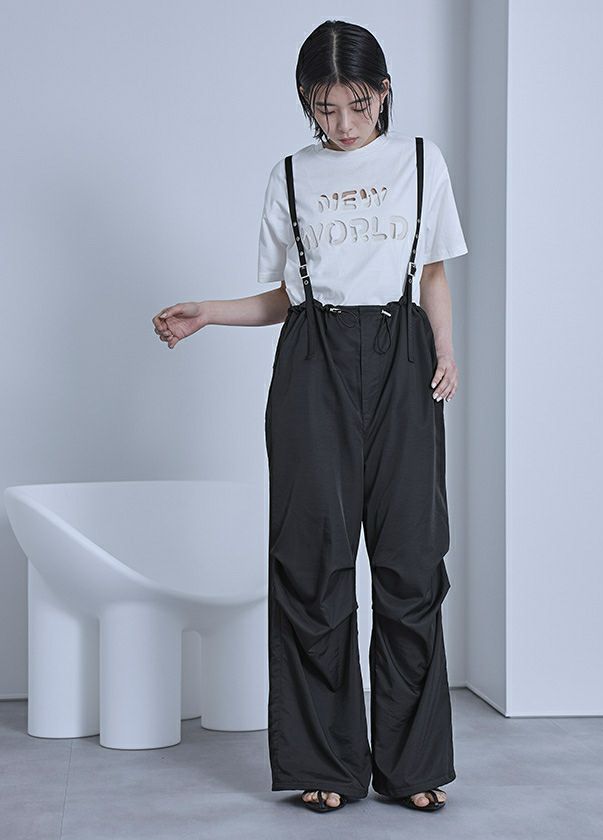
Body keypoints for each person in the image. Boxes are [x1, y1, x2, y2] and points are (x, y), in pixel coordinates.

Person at [152, 19, 468, 814]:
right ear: (306, 101)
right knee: (311, 564)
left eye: (358, 104)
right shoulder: (290, 175)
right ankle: (326, 763)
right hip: (312, 362)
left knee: (411, 561)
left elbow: (432, 272)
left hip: (403, 359)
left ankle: (413, 765)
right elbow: (286, 297)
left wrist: (445, 348)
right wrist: (210, 313)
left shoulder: (421, 162)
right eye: (326, 108)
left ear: (383, 92)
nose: (344, 123)